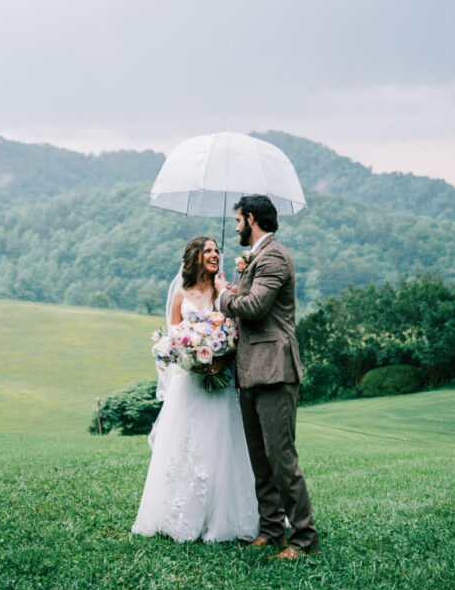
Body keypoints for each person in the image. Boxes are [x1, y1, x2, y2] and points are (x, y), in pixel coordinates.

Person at [131, 236, 259, 543]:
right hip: (189, 384)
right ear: (195, 258)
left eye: (217, 251)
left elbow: (237, 337)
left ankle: (223, 518)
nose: (215, 255)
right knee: (187, 445)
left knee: (221, 444)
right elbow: (173, 342)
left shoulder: (225, 293)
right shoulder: (181, 295)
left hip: (221, 382)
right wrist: (193, 360)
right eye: (208, 251)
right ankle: (179, 517)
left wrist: (220, 359)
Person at [215, 194, 319, 561]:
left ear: (252, 218)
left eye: (239, 219)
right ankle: (271, 530)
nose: (237, 225)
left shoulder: (274, 256)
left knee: (281, 458)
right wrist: (231, 289)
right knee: (260, 459)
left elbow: (255, 308)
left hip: (275, 370)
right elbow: (248, 297)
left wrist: (220, 298)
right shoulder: (256, 257)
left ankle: (304, 539)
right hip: (250, 372)